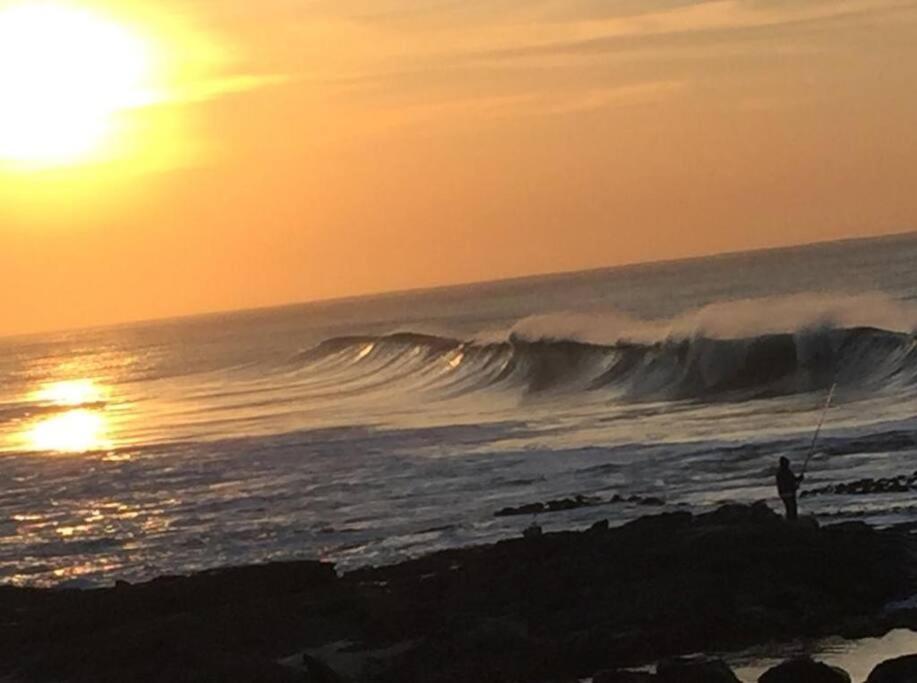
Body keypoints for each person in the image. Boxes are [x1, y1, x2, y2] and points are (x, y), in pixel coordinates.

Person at [776, 456, 804, 521]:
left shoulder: (780, 472)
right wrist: (795, 486)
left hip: (783, 493)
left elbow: (793, 480)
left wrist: (799, 478)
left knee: (789, 508)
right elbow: (790, 482)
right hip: (788, 493)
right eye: (787, 463)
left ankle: (790, 521)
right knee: (792, 509)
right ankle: (793, 522)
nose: (788, 464)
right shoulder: (786, 472)